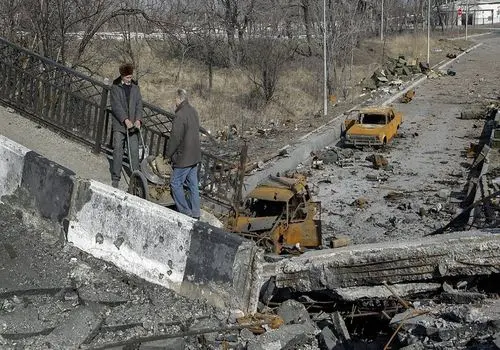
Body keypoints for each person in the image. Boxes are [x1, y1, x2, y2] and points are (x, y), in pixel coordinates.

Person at [166, 89, 201, 219]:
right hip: (195, 154)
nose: (174, 102)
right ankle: (196, 212)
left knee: (175, 183)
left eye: (175, 99)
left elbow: (175, 138)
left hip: (184, 156)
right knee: (193, 185)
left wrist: (168, 154)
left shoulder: (180, 115)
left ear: (179, 98)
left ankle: (186, 212)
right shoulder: (193, 111)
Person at [110, 63, 143, 188]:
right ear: (122, 76)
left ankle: (135, 178)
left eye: (131, 77)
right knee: (118, 149)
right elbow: (116, 106)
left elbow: (139, 105)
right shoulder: (115, 87)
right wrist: (125, 120)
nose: (130, 79)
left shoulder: (136, 88)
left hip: (133, 125)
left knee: (134, 151)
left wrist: (138, 120)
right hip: (120, 125)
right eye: (127, 77)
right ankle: (116, 177)